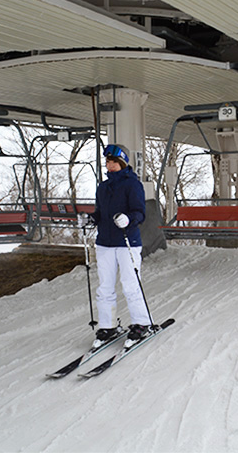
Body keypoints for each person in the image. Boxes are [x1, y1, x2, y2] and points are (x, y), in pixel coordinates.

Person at [90, 144, 151, 345]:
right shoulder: (103, 187)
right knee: (105, 286)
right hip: (105, 243)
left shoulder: (132, 185)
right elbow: (100, 212)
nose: (109, 165)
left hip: (127, 242)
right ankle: (107, 326)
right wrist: (91, 219)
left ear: (122, 163)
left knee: (130, 284)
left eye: (113, 162)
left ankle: (141, 323)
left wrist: (128, 219)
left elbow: (139, 212)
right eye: (107, 162)